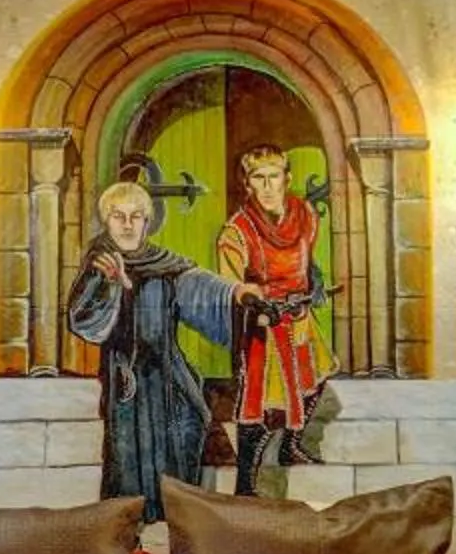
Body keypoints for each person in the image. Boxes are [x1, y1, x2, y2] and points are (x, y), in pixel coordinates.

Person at [65, 180, 262, 521]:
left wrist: (237, 292)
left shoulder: (164, 263)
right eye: (118, 216)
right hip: (129, 379)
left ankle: (177, 516)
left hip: (169, 372)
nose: (127, 224)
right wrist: (112, 286)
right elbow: (82, 320)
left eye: (136, 216)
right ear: (106, 220)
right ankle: (132, 526)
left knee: (192, 419)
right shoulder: (100, 265)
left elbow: (201, 287)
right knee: (130, 455)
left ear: (147, 221)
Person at [212, 145, 334, 494]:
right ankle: (245, 485)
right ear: (248, 184)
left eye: (274, 177)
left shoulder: (305, 214)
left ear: (287, 179)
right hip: (264, 328)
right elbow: (233, 285)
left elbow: (307, 258)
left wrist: (315, 283)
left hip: (300, 316)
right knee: (260, 408)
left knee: (316, 379)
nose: (267, 187)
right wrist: (259, 304)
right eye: (258, 179)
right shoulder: (237, 231)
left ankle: (291, 446)